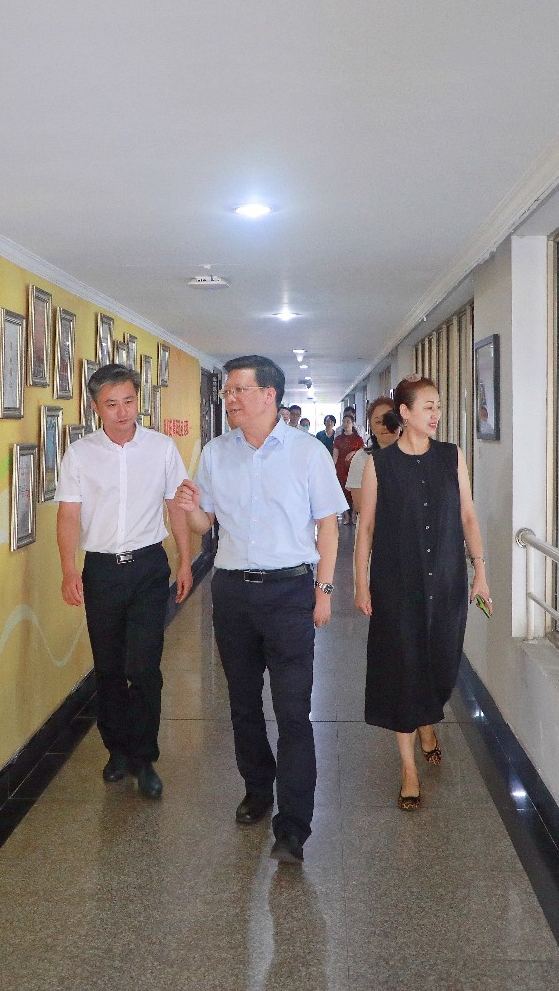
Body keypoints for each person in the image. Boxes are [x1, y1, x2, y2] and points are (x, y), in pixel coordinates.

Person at [174, 355, 347, 864]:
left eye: (238, 390)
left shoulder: (307, 452)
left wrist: (324, 590)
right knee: (243, 703)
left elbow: (329, 525)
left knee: (293, 711)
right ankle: (256, 787)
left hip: (290, 592)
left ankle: (293, 826)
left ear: (269, 395)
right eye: (227, 391)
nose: (229, 398)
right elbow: (205, 524)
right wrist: (189, 508)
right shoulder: (215, 452)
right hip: (232, 592)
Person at [57, 363, 195, 800]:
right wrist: (68, 569)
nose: (122, 412)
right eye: (111, 404)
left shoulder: (161, 448)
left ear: (139, 401)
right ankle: (117, 750)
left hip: (148, 568)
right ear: (95, 407)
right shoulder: (80, 454)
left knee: (144, 667)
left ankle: (145, 757)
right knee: (109, 667)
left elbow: (176, 507)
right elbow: (69, 515)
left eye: (129, 401)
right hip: (101, 570)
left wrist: (185, 561)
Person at [353, 377, 489, 811]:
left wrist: (480, 572)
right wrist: (360, 582)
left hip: (446, 581)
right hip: (397, 583)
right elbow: (366, 527)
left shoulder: (451, 456)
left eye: (438, 406)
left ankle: (427, 719)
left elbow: (468, 515)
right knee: (402, 668)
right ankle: (409, 769)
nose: (436, 415)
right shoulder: (380, 464)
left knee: (439, 661)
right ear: (405, 413)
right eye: (428, 406)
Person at [346, 396, 398, 523]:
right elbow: (359, 505)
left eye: (390, 420)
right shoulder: (362, 458)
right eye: (378, 422)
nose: (384, 426)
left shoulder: (414, 456)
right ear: (371, 426)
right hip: (374, 528)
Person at [331, 412, 364, 523]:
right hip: (341, 468)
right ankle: (345, 515)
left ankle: (354, 513)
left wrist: (353, 452)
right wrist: (332, 469)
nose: (345, 424)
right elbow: (335, 455)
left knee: (354, 490)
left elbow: (362, 452)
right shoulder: (338, 439)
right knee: (342, 490)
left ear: (353, 424)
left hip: (354, 467)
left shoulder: (358, 438)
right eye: (344, 422)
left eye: (348, 422)